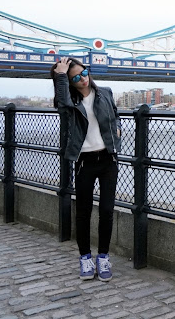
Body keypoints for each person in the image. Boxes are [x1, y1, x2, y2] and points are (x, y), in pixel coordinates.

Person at [50, 57, 121, 281]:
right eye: (76, 78)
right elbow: (62, 102)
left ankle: (103, 257)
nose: (83, 79)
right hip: (84, 161)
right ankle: (85, 258)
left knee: (107, 211)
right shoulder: (69, 101)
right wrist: (61, 75)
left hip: (108, 159)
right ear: (69, 82)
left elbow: (115, 115)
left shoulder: (105, 92)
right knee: (83, 212)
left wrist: (118, 130)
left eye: (84, 72)